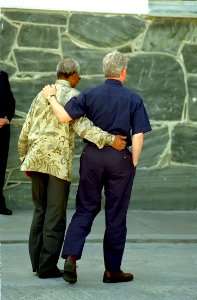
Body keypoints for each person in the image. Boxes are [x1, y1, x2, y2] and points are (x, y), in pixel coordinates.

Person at [42, 51, 152, 284]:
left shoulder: (89, 93)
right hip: (119, 159)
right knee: (116, 215)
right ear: (123, 72)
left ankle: (71, 257)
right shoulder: (133, 99)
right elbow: (139, 135)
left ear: (105, 71)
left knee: (85, 208)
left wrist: (52, 98)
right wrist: (133, 161)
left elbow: (64, 117)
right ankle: (112, 270)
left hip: (92, 157)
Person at [18, 58, 126, 279]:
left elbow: (26, 127)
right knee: (55, 216)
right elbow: (83, 127)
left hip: (35, 159)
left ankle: (37, 264)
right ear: (73, 75)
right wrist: (110, 139)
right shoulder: (74, 96)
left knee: (40, 211)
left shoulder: (42, 94)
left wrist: (24, 159)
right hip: (56, 164)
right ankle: (47, 268)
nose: (81, 79)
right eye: (80, 75)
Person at [0, 70, 15, 215]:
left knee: (0, 166)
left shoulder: (2, 75)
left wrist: (6, 118)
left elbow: (10, 101)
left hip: (1, 129)